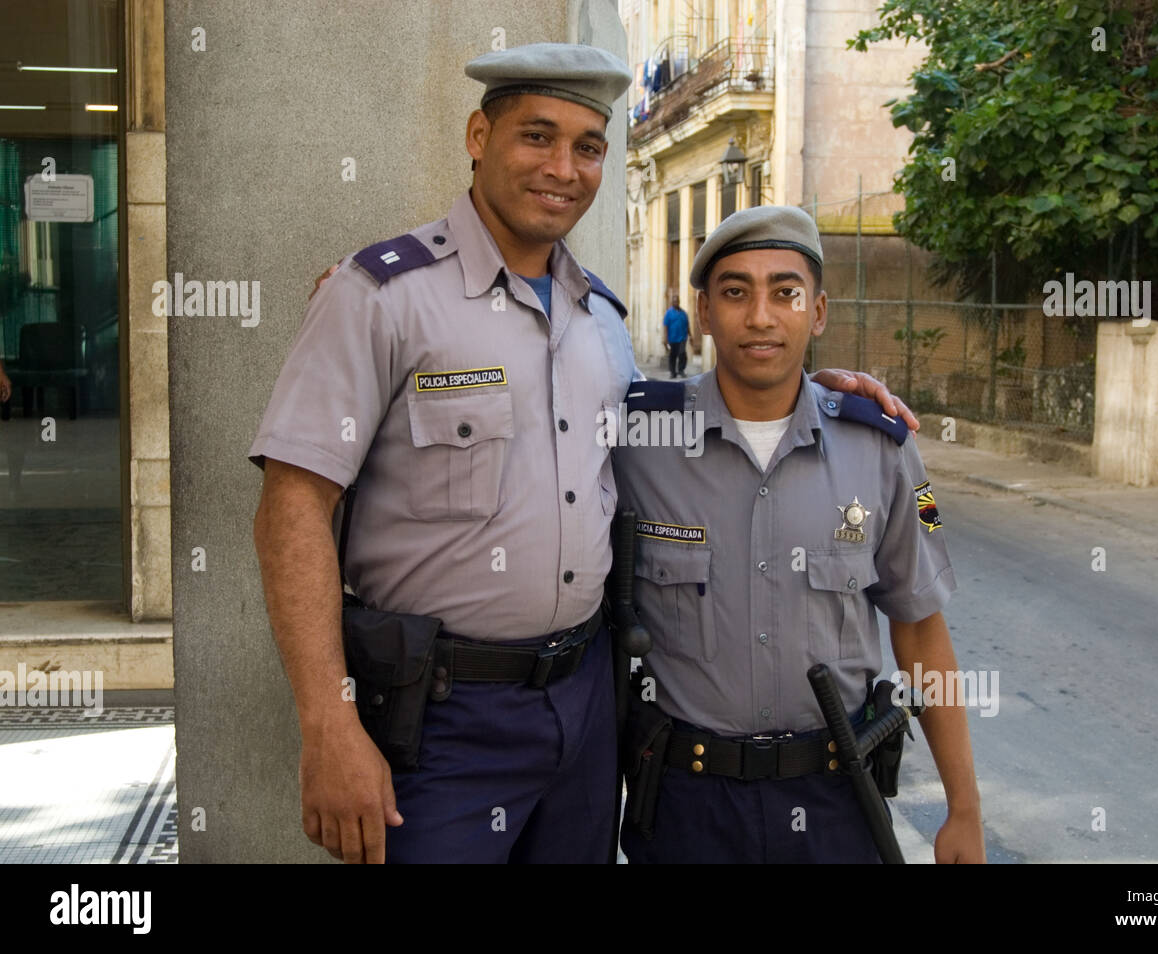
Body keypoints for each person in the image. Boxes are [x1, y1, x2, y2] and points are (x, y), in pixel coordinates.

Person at [266, 45, 918, 865]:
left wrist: (808, 390)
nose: (563, 168)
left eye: (587, 146)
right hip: (436, 718)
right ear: (478, 135)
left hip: (587, 711)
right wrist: (328, 723)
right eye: (537, 136)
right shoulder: (383, 296)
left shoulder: (601, 321)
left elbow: (683, 425)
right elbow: (292, 503)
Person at [613, 206, 985, 864]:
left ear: (817, 312)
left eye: (784, 292)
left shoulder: (880, 448)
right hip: (686, 807)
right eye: (735, 292)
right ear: (704, 311)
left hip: (836, 803)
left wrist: (964, 808)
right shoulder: (639, 437)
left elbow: (921, 629)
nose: (760, 316)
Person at [662, 294, 689, 377]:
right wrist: (665, 338)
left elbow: (687, 325)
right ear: (672, 302)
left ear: (679, 302)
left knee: (682, 354)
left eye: (677, 301)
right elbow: (665, 326)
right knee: (672, 356)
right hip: (672, 338)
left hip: (682, 338)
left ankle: (681, 370)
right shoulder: (668, 313)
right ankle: (673, 373)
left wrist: (690, 336)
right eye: (674, 301)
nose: (675, 302)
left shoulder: (683, 313)